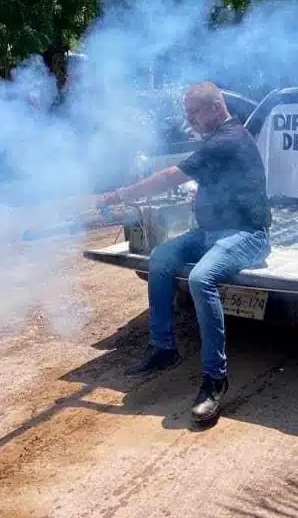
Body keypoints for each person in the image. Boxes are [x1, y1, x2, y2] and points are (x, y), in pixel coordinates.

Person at [95, 81, 271, 424]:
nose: (189, 119)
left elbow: (169, 177)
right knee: (160, 258)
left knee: (201, 278)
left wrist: (119, 195)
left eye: (193, 113)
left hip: (249, 235)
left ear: (214, 108)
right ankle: (164, 349)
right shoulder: (217, 138)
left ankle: (215, 378)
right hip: (209, 233)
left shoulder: (228, 139)